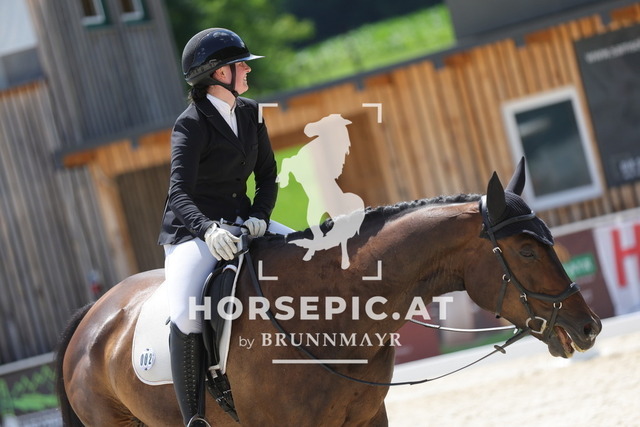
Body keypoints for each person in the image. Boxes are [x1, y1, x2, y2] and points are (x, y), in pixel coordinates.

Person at [158, 28, 291, 426]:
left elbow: (267, 176)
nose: (248, 70)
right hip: (193, 233)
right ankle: (194, 417)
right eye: (241, 65)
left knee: (306, 255)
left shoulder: (252, 112)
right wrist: (208, 230)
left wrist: (260, 216)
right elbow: (179, 192)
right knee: (186, 312)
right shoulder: (190, 124)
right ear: (219, 73)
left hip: (243, 224)